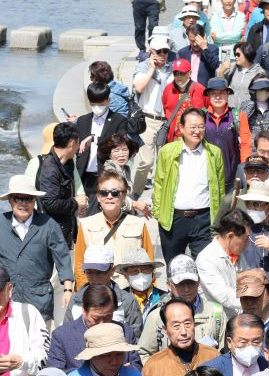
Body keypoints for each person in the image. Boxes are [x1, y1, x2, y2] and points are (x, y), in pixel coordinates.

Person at [152, 107, 225, 262]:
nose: (197, 131)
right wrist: (158, 212)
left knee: (205, 266)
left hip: (203, 220)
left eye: (201, 127)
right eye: (192, 127)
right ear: (181, 128)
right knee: (174, 267)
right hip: (174, 219)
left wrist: (219, 219)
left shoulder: (214, 153)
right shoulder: (167, 151)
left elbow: (220, 189)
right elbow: (159, 183)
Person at [0, 174, 73, 322]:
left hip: (39, 300)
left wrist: (68, 288)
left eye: (28, 198)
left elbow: (62, 257)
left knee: (39, 343)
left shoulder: (48, 224)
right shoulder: (1, 223)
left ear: (34, 200)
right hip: (6, 299)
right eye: (18, 198)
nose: (23, 203)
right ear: (10, 200)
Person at [73, 170, 154, 291]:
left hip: (132, 292)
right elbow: (80, 265)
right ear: (98, 197)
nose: (109, 197)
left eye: (115, 193)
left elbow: (149, 263)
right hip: (99, 294)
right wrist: (85, 294)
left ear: (124, 196)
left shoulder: (139, 224)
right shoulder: (85, 225)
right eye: (104, 193)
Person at [138, 255, 226, 363]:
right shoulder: (156, 316)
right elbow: (145, 353)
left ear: (198, 281)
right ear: (169, 285)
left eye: (191, 283)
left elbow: (225, 353)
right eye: (181, 284)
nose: (187, 289)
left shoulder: (216, 313)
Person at [141, 298, 219, 376]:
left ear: (194, 324)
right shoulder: (153, 366)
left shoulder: (214, 357)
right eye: (176, 326)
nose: (183, 331)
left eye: (188, 324)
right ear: (165, 330)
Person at [48, 285, 141, 372]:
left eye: (107, 317)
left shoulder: (126, 332)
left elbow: (136, 367)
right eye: (96, 319)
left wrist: (125, 371)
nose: (102, 323)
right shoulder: (62, 336)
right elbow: (56, 375)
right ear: (84, 310)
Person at [66, 245, 143, 338]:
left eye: (99, 272)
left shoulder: (127, 302)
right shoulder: (75, 301)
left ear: (112, 270)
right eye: (89, 272)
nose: (94, 278)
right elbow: (66, 335)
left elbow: (135, 337)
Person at [74, 83, 128, 213]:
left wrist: (94, 139)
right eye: (93, 104)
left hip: (107, 175)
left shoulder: (118, 120)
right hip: (85, 178)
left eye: (101, 103)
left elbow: (118, 143)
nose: (97, 107)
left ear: (108, 100)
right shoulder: (82, 121)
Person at [132, 34, 174, 195]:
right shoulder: (142, 67)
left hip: (166, 121)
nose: (162, 55)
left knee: (163, 162)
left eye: (165, 51)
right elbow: (139, 87)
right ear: (151, 51)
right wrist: (152, 68)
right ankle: (135, 194)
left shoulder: (171, 70)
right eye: (159, 51)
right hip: (148, 120)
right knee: (146, 161)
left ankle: (160, 197)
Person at [36, 122, 87, 249]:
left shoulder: (67, 162)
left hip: (64, 232)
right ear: (72, 143)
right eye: (78, 142)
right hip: (53, 236)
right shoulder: (50, 168)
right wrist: (75, 203)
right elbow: (50, 203)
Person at [200, 312, 268, 376]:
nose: (250, 347)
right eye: (243, 342)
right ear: (229, 342)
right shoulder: (210, 371)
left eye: (256, 341)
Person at [196, 209, 253, 318]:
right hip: (217, 321)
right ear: (230, 236)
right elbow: (224, 295)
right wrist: (256, 302)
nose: (248, 243)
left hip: (239, 316)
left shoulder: (238, 254)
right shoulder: (206, 259)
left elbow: (247, 281)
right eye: (246, 238)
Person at [203, 78, 252, 191]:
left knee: (231, 207)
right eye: (213, 93)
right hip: (206, 177)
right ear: (208, 95)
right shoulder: (202, 116)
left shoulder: (238, 116)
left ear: (228, 94)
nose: (218, 97)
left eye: (222, 92)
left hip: (232, 177)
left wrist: (244, 168)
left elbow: (245, 145)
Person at [96, 137, 150, 214]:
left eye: (125, 150)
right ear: (109, 154)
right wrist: (135, 204)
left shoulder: (125, 168)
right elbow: (114, 195)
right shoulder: (110, 170)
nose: (121, 154)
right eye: (116, 151)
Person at [161, 60, 206, 144]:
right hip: (174, 139)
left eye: (182, 73)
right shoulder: (168, 89)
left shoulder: (200, 89)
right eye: (176, 73)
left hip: (195, 139)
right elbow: (165, 109)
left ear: (190, 72)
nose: (179, 77)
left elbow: (207, 109)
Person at [117, 248, 166, 322]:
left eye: (145, 270)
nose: (141, 275)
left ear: (152, 271)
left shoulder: (165, 298)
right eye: (134, 271)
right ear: (125, 275)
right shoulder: (118, 300)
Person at [239, 77, 269, 149]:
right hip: (251, 147)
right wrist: (252, 103)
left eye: (267, 89)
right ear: (254, 91)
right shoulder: (246, 104)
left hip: (268, 146)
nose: (264, 92)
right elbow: (240, 121)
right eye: (261, 89)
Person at [222, 42, 263, 110]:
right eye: (235, 54)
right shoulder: (233, 67)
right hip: (231, 112)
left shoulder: (259, 72)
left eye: (238, 54)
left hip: (248, 114)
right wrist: (221, 71)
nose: (236, 57)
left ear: (247, 53)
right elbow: (221, 87)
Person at [208, 0, 246, 65]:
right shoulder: (215, 17)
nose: (228, 1)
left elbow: (237, 35)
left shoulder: (241, 16)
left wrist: (219, 36)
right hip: (218, 55)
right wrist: (235, 37)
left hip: (235, 56)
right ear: (221, 1)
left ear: (234, 0)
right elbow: (214, 37)